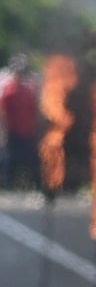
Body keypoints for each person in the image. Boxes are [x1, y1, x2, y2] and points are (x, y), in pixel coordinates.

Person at [1, 54, 41, 190]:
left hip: (28, 131)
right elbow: (4, 113)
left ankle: (35, 185)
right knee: (11, 160)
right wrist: (4, 132)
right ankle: (8, 186)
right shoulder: (8, 92)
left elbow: (35, 111)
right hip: (14, 132)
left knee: (32, 160)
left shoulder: (30, 91)